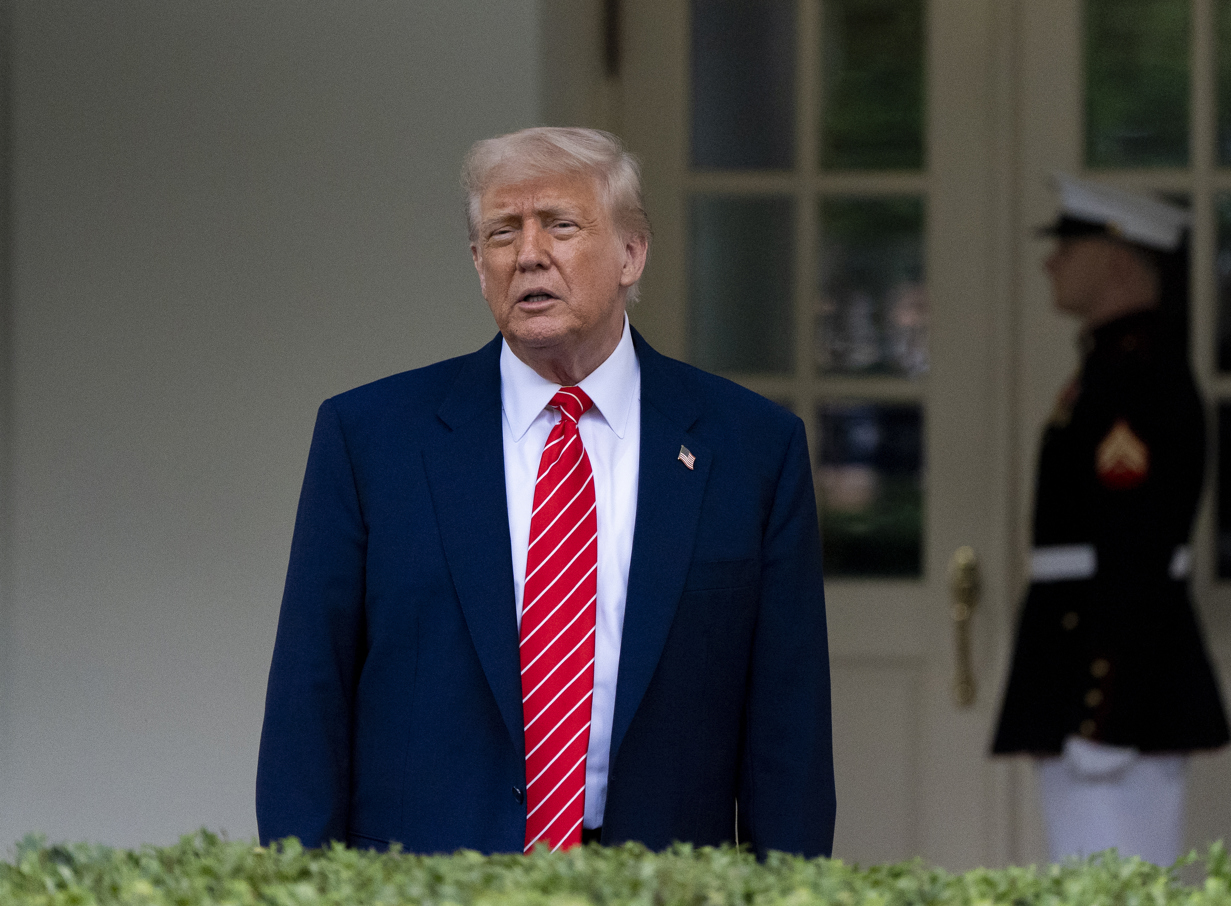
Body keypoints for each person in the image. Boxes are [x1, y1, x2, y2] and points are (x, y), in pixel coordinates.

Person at [256, 127, 835, 858]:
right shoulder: (371, 439)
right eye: (502, 232)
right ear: (478, 264)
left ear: (631, 253)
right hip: (426, 881)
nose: (529, 253)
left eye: (560, 225)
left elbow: (790, 729)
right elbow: (309, 702)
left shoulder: (751, 447)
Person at [991, 174, 1231, 866]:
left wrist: (1106, 709)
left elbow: (1139, 549)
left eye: (1071, 245)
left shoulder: (1137, 378)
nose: (1051, 261)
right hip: (1080, 664)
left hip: (1111, 682)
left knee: (1116, 876)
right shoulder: (1110, 370)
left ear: (1121, 262)